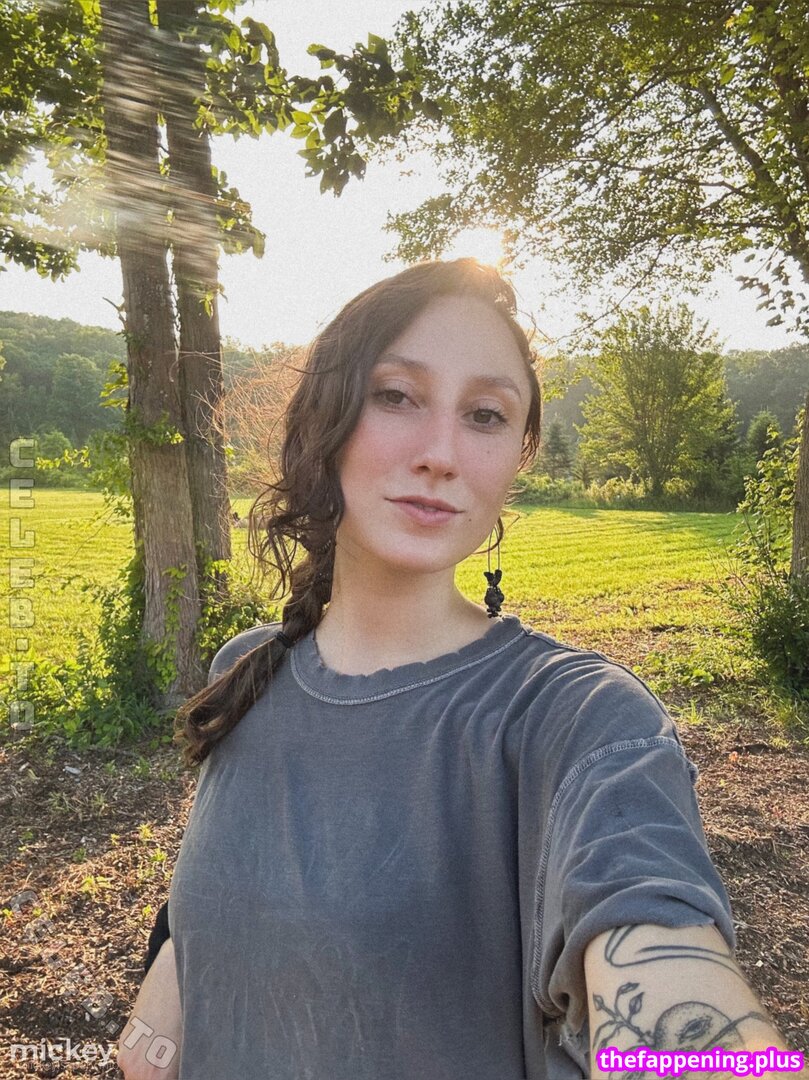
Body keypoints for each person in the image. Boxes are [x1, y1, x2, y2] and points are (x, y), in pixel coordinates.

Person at [118, 259, 801, 1080]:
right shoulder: (249, 670)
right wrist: (160, 1016)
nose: (441, 453)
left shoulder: (580, 719)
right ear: (322, 420)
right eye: (396, 396)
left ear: (516, 457)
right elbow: (218, 921)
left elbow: (659, 953)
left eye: (484, 415)